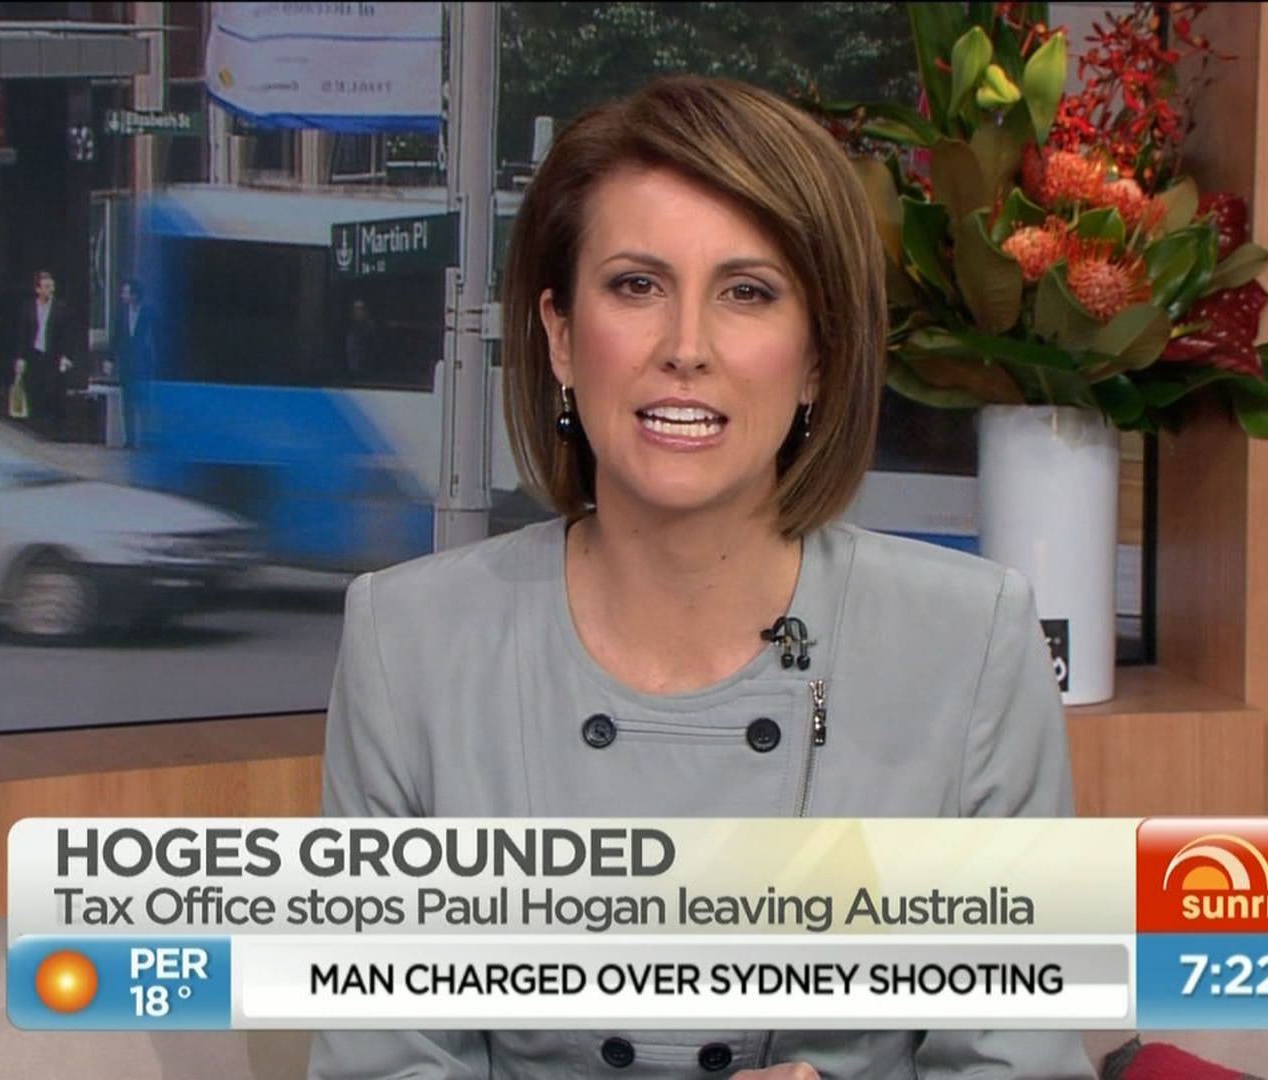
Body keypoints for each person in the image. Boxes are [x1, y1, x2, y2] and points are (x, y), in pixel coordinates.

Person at [309, 75, 1089, 1080]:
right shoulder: (408, 642)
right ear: (559, 336)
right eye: (636, 286)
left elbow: (1019, 1059)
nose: (686, 348)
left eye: (747, 292)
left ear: (819, 356)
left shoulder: (970, 642)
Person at [12, 270, 77, 440]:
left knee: (51, 391)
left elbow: (66, 335)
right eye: (47, 287)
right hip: (34, 355)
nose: (50, 290)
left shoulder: (60, 309)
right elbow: (22, 335)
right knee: (34, 391)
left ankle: (51, 431)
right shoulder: (28, 308)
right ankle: (34, 431)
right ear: (38, 289)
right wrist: (20, 358)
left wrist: (66, 356)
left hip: (52, 356)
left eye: (51, 286)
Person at [108, 278, 153, 446]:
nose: (122, 296)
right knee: (127, 402)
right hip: (126, 363)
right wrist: (110, 359)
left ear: (134, 295)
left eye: (125, 292)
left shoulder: (148, 313)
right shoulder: (121, 314)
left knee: (144, 402)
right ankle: (130, 439)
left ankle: (147, 438)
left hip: (143, 363)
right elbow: (115, 337)